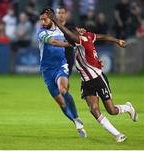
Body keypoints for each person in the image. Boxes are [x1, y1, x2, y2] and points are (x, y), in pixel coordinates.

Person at [46, 9, 138, 142]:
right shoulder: (87, 35)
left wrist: (55, 20)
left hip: (98, 78)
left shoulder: (81, 40)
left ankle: (128, 107)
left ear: (75, 34)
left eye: (69, 36)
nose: (68, 40)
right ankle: (118, 134)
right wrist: (117, 41)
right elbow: (102, 36)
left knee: (111, 110)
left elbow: (71, 36)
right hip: (86, 81)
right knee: (94, 109)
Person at [37, 8, 87, 137]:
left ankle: (76, 117)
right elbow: (53, 42)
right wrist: (69, 44)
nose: (42, 21)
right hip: (47, 71)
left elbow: (76, 36)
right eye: (41, 19)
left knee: (63, 89)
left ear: (51, 18)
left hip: (61, 65)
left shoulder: (62, 29)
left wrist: (80, 33)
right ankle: (76, 122)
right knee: (61, 103)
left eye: (45, 19)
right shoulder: (41, 32)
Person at [56, 6, 75, 76]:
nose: (61, 15)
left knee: (65, 77)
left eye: (63, 13)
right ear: (56, 14)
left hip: (68, 55)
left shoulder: (71, 26)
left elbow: (74, 41)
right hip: (56, 55)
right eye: (59, 13)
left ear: (66, 14)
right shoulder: (53, 27)